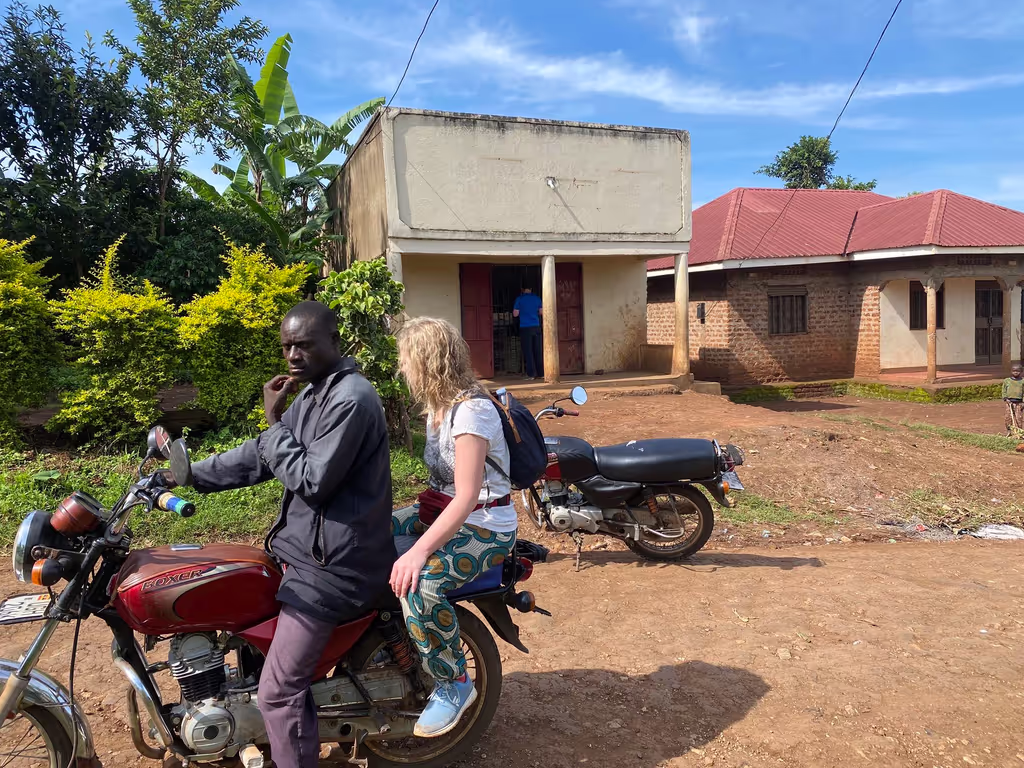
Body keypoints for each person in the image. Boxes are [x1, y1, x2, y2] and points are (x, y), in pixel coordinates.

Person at [179, 301, 395, 768]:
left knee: (279, 692)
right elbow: (260, 456)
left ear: (334, 344)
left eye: (304, 345)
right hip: (305, 555)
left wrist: (275, 421)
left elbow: (313, 480)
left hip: (336, 567)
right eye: (286, 346)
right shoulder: (315, 394)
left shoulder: (351, 399)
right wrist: (188, 475)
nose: (293, 355)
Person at [389, 317, 517, 738]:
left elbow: (465, 497)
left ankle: (453, 683)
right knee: (369, 533)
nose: (402, 369)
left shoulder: (472, 412)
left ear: (428, 362)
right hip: (446, 510)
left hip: (485, 526)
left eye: (406, 361)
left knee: (423, 582)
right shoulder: (438, 410)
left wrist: (418, 550)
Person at [512, 286, 543, 379]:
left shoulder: (520, 299)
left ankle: (531, 374)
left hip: (525, 327)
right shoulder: (537, 298)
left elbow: (515, 313)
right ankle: (541, 373)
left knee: (528, 351)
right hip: (536, 327)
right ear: (531, 289)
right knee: (537, 350)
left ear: (522, 289)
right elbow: (541, 312)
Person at [1002, 363, 1024, 436]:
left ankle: (1019, 432)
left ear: (1021, 372)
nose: (1016, 372)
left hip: (1019, 403)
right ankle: (1009, 431)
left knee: (1019, 418)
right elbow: (1004, 390)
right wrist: (1005, 398)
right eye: (1014, 370)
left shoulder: (1022, 381)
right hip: (1009, 402)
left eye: (1018, 371)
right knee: (1008, 417)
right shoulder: (1007, 381)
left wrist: (1023, 402)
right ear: (1011, 371)